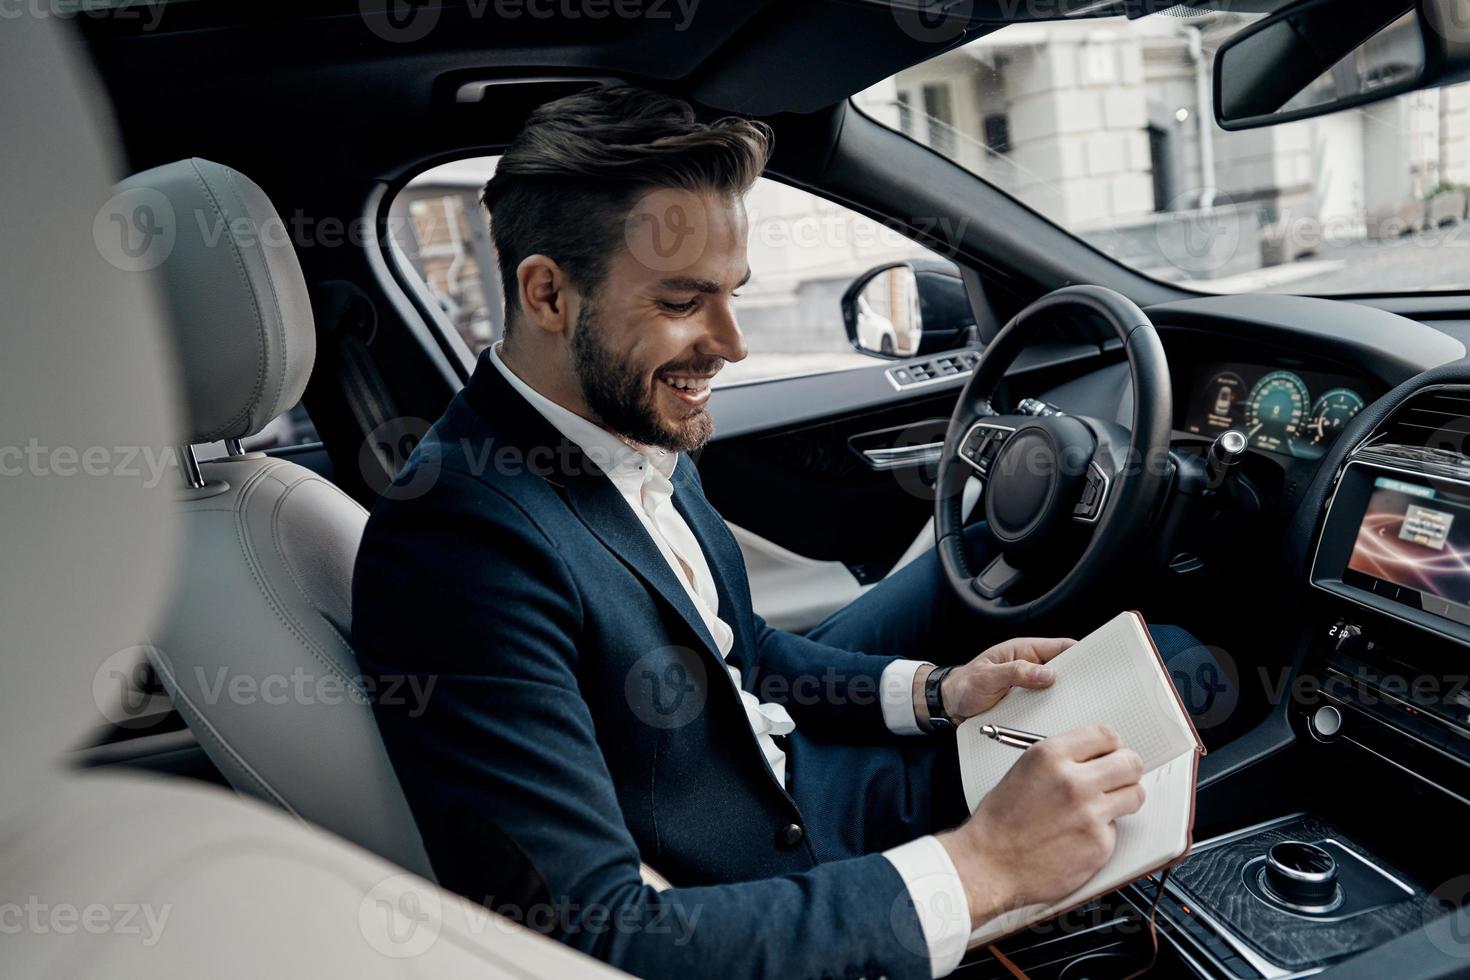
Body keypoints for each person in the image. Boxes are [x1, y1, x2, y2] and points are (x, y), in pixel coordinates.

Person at [353, 85, 1215, 979]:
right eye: (685, 302)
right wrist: (986, 866)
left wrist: (941, 693)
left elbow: (743, 652)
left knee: (1138, 655)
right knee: (1183, 686)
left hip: (783, 767)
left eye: (734, 295)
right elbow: (591, 936)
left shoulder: (619, 422)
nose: (732, 343)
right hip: (782, 879)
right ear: (547, 295)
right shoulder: (458, 549)